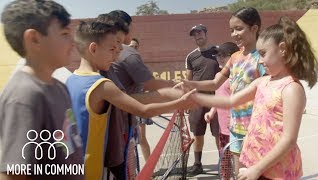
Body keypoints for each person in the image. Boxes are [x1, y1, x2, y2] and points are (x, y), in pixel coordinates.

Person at [192, 16, 318, 180]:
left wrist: (257, 169)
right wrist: (195, 97)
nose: (259, 60)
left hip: (278, 171)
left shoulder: (291, 89)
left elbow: (289, 139)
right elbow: (230, 101)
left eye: (263, 54)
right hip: (253, 163)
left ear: (282, 49)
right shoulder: (262, 82)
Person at [66, 19, 195, 180]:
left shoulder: (71, 80)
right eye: (112, 49)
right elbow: (144, 111)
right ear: (93, 48)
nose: (116, 55)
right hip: (95, 171)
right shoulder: (102, 85)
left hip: (74, 168)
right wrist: (180, 102)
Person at [0, 0, 84, 179]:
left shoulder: (60, 87)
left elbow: (66, 148)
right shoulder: (24, 96)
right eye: (64, 34)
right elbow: (15, 174)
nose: (73, 42)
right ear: (34, 39)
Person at [182, 7, 265, 175]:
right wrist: (188, 84)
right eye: (231, 30)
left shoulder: (263, 58)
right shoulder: (235, 57)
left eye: (239, 28)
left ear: (254, 28)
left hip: (257, 130)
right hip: (236, 128)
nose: (234, 34)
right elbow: (214, 83)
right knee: (239, 174)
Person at [97, 11, 177, 179]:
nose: (117, 50)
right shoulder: (127, 54)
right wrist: (175, 94)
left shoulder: (105, 61)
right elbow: (143, 90)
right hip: (121, 129)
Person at [185, 24, 221, 176]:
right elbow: (188, 80)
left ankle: (224, 163)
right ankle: (197, 164)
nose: (197, 35)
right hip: (197, 102)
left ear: (205, 33)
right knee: (197, 135)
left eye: (200, 32)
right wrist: (187, 101)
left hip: (217, 101)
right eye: (194, 34)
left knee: (218, 135)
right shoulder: (191, 57)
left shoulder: (218, 51)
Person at [204, 42, 239, 180]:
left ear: (234, 57)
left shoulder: (236, 77)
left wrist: (234, 117)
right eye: (217, 55)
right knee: (224, 163)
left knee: (239, 165)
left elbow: (241, 101)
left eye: (223, 55)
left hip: (237, 130)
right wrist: (212, 112)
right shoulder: (218, 76)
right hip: (223, 130)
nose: (219, 58)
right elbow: (218, 97)